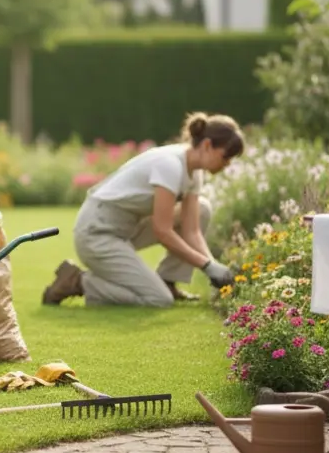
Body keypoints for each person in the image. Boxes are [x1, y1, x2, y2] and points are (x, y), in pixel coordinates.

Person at [43, 112, 243, 308]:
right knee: (158, 299)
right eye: (226, 157)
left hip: (128, 229)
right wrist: (207, 266)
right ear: (207, 145)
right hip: (97, 233)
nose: (227, 164)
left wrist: (212, 265)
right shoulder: (170, 165)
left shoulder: (195, 173)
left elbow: (192, 230)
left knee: (202, 209)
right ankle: (78, 281)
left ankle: (168, 281)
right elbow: (162, 231)